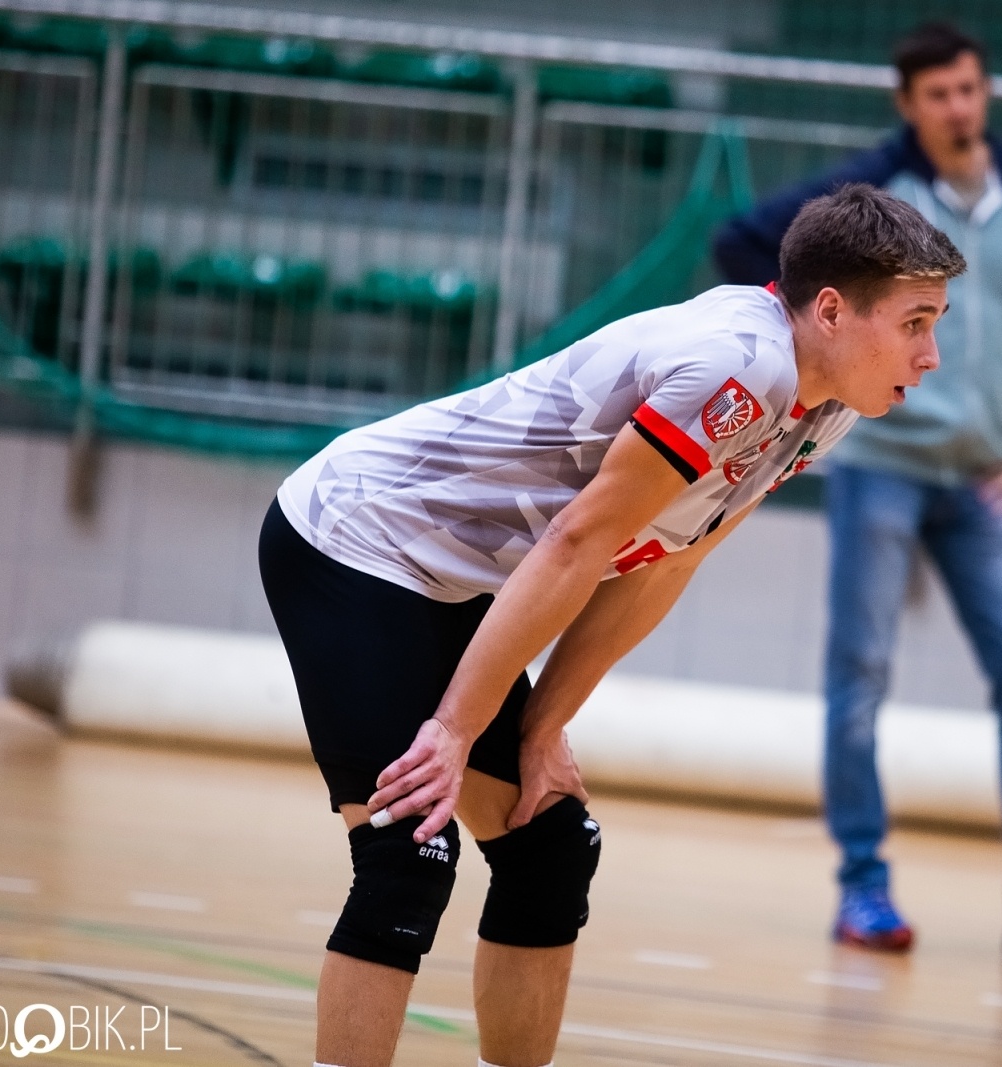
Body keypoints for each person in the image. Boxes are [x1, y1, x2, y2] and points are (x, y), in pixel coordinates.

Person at [257, 184, 964, 1067]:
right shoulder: (742, 368)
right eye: (916, 322)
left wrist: (542, 729)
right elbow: (576, 542)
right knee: (411, 852)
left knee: (551, 843)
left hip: (456, 579)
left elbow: (668, 558)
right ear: (830, 310)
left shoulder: (830, 405)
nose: (931, 353)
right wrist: (454, 728)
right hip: (357, 539)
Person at [714, 22, 1002, 963]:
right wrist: (803, 385)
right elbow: (737, 240)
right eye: (938, 94)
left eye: (970, 89)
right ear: (908, 105)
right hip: (880, 468)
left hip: (984, 481)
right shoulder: (873, 197)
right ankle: (863, 889)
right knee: (858, 681)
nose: (959, 108)